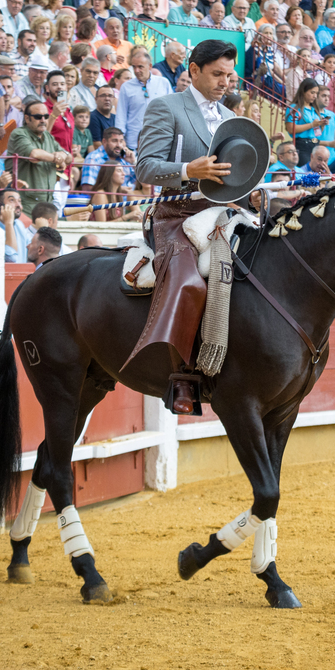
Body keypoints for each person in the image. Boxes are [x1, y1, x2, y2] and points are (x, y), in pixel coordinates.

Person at [131, 39, 239, 415]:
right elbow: (145, 167)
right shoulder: (166, 107)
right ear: (193, 70)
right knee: (186, 278)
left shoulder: (230, 119)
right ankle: (181, 376)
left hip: (222, 213)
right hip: (177, 213)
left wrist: (251, 192)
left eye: (229, 74)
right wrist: (186, 171)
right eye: (217, 74)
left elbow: (235, 175)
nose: (225, 82)